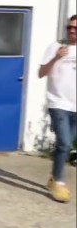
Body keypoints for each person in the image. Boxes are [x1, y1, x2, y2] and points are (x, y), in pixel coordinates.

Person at [38, 14, 77, 203]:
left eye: (75, 28)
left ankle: (54, 178)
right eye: (69, 27)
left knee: (66, 144)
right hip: (58, 103)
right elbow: (41, 73)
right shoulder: (55, 47)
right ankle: (58, 181)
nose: (71, 31)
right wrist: (56, 58)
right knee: (65, 143)